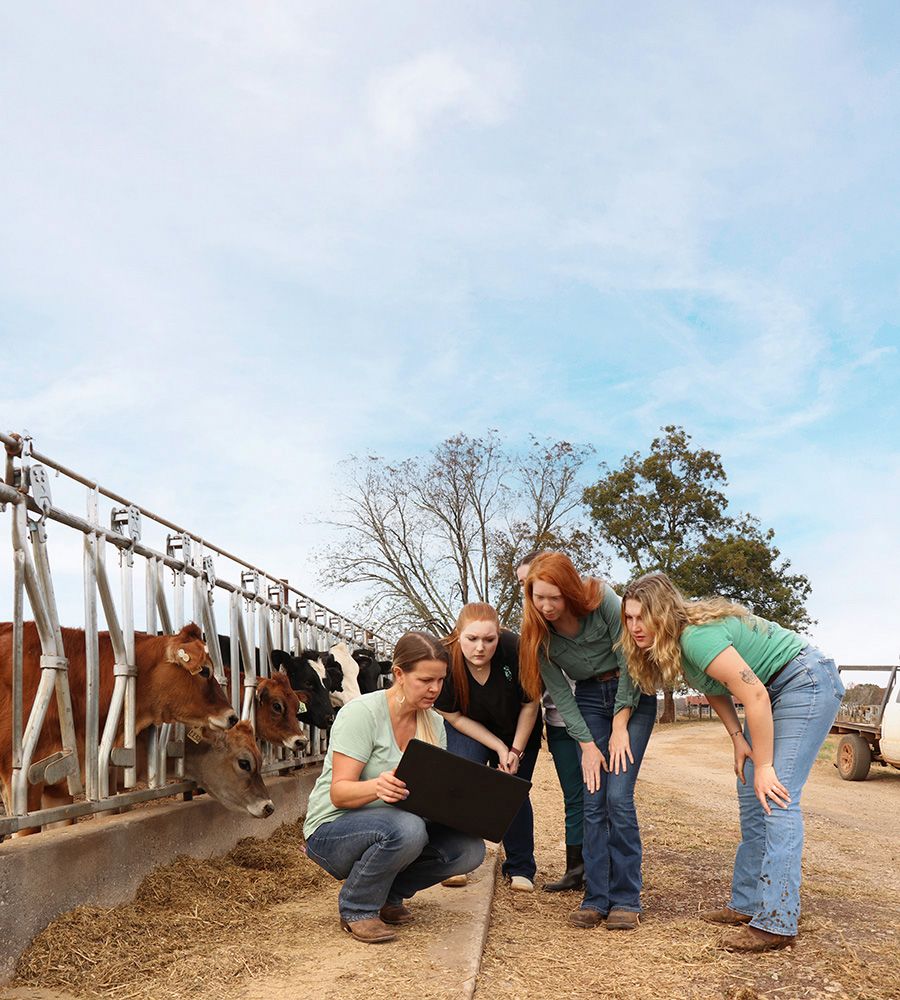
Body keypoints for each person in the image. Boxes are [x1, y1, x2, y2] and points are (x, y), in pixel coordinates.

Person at [619, 572, 843, 952]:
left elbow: (752, 694)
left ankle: (777, 921)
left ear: (664, 612)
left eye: (644, 617)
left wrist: (766, 765)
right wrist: (738, 739)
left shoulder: (695, 637)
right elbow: (717, 688)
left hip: (803, 682)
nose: (636, 627)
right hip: (773, 691)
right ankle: (748, 902)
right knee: (750, 797)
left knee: (776, 797)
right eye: (629, 618)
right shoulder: (676, 644)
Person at [303, 632, 486, 943]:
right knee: (408, 828)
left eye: (440, 681)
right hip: (333, 829)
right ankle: (358, 908)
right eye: (426, 680)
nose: (435, 689)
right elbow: (340, 793)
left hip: (398, 825)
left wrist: (463, 807)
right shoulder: (362, 713)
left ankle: (388, 896)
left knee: (469, 849)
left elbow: (429, 793)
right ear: (399, 674)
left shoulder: (434, 723)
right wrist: (377, 786)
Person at [519, 552, 657, 930]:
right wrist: (586, 744)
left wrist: (619, 725)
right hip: (589, 702)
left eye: (555, 597)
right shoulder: (538, 633)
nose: (546, 606)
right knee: (593, 799)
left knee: (618, 797)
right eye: (538, 596)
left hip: (634, 695)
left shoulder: (604, 601)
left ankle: (627, 897)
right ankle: (596, 897)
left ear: (570, 591)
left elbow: (631, 660)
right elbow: (561, 693)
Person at [436, 602, 542, 890]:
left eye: (489, 639)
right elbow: (454, 717)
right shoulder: (443, 660)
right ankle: (454, 861)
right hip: (468, 726)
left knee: (511, 787)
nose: (480, 647)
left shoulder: (515, 649)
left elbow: (530, 704)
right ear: (458, 635)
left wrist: (515, 751)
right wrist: (497, 746)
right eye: (472, 639)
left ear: (499, 635)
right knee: (462, 779)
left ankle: (521, 867)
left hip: (518, 725)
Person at [516, 552, 584, 892]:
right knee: (573, 796)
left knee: (603, 798)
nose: (538, 599)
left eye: (545, 591)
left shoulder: (585, 620)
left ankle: (604, 868)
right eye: (527, 588)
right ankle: (576, 869)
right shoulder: (533, 633)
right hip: (558, 723)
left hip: (592, 720)